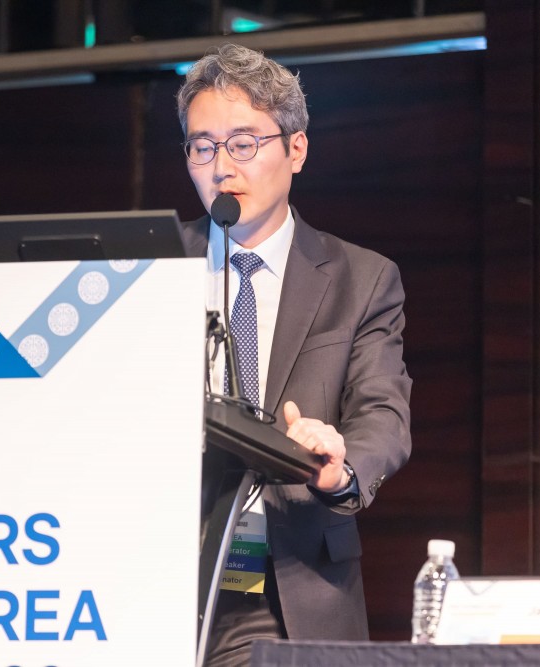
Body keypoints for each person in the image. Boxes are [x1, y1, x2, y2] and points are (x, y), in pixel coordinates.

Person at [177, 44, 412, 665]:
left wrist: (339, 467)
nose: (221, 168)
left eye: (243, 144)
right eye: (202, 147)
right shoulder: (153, 267)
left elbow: (383, 415)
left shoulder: (362, 279)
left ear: (296, 149)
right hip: (164, 574)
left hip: (290, 583)